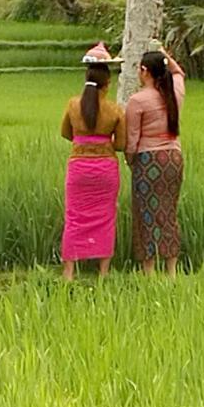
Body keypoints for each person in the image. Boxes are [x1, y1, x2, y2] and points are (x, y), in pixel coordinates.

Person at [60, 62, 126, 280]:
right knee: (106, 217)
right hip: (105, 168)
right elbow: (121, 144)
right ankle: (103, 272)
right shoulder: (115, 110)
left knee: (74, 217)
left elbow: (66, 133)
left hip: (79, 167)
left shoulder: (72, 105)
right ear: (107, 84)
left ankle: (69, 273)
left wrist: (84, 141)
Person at [125, 49, 186, 277]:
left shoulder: (138, 100)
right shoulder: (175, 93)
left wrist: (131, 161)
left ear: (144, 71)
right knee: (169, 211)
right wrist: (165, 55)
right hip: (173, 159)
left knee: (146, 213)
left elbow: (132, 139)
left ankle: (149, 271)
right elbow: (179, 72)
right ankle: (171, 271)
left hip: (147, 159)